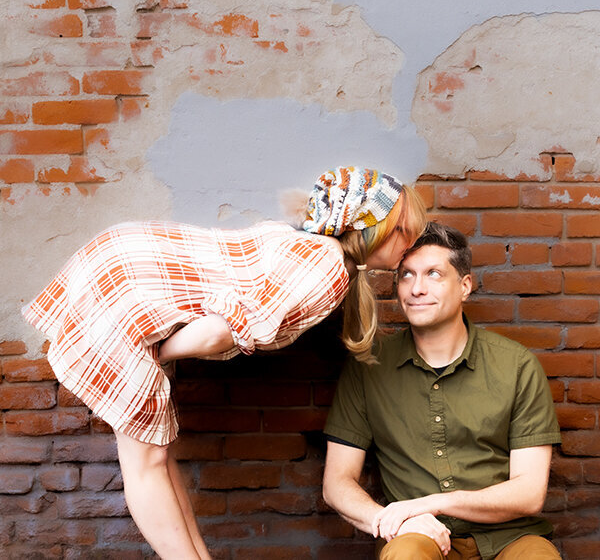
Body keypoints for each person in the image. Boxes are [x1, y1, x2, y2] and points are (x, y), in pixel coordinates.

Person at [22, 166, 426, 560]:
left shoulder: (313, 252)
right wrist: (150, 353)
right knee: (145, 463)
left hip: (122, 266)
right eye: (406, 228)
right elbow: (218, 332)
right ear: (373, 226)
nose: (413, 240)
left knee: (156, 458)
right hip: (125, 290)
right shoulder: (327, 270)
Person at [323, 222, 562, 560]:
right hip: (416, 535)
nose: (416, 288)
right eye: (406, 275)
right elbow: (336, 484)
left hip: (510, 536)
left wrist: (435, 502)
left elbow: (529, 493)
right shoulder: (368, 368)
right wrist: (388, 519)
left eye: (433, 274)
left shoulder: (517, 367)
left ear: (464, 286)